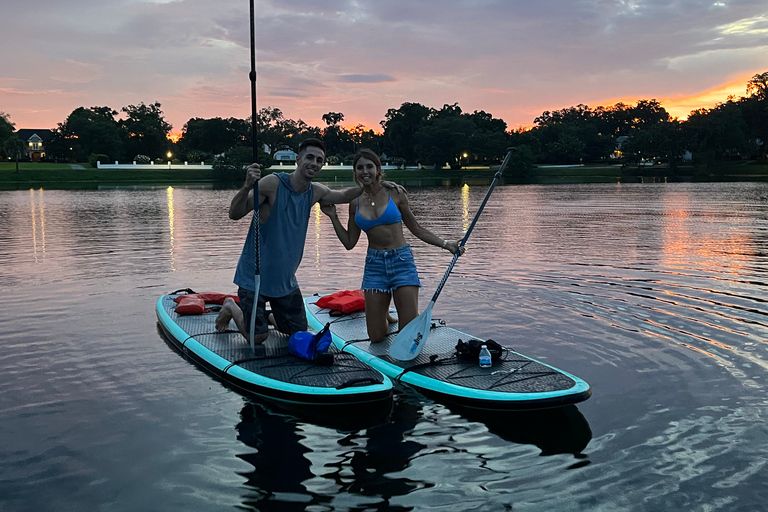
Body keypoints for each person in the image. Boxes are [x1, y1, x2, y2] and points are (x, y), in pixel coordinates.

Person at [216, 138, 401, 344]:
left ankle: (265, 317)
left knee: (297, 333)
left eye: (319, 160)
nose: (314, 163)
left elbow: (344, 195)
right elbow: (235, 213)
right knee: (258, 337)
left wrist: (375, 183)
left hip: (285, 281)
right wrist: (247, 185)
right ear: (298, 159)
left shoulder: (315, 191)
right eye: (309, 157)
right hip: (254, 278)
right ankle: (231, 307)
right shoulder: (272, 184)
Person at [320, 148, 464, 343]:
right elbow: (349, 243)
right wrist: (333, 217)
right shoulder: (354, 202)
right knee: (376, 337)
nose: (365, 171)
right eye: (359, 167)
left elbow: (417, 229)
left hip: (401, 261)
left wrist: (447, 245)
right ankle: (384, 311)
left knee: (407, 335)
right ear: (354, 172)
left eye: (369, 167)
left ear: (378, 169)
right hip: (374, 265)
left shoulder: (395, 193)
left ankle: (393, 308)